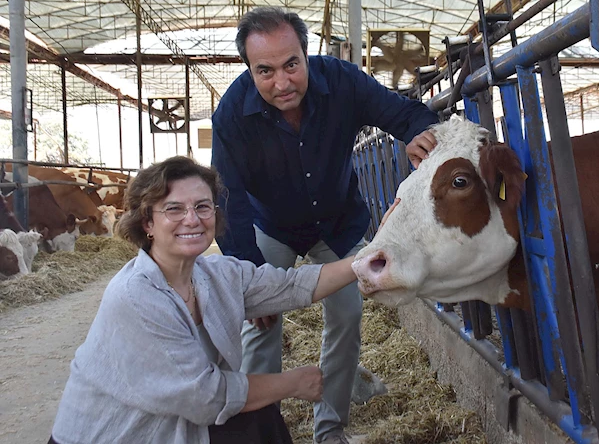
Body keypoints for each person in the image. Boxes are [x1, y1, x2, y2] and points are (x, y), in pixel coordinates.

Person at [211, 6, 439, 443]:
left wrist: (417, 132)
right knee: (260, 324)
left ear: (306, 52)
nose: (282, 82)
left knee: (348, 314)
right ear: (249, 69)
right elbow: (229, 204)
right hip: (271, 227)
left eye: (292, 64)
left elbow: (404, 113)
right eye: (266, 71)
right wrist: (252, 282)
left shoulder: (342, 81)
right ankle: (261, 432)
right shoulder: (230, 119)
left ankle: (330, 431)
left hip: (337, 222)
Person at [49, 156, 382, 444]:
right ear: (147, 222)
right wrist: (291, 383)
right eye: (174, 209)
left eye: (202, 206)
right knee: (257, 414)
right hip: (120, 433)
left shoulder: (215, 274)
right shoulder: (137, 296)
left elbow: (292, 285)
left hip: (174, 422)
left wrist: (366, 258)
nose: (192, 219)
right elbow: (205, 397)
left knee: (261, 419)